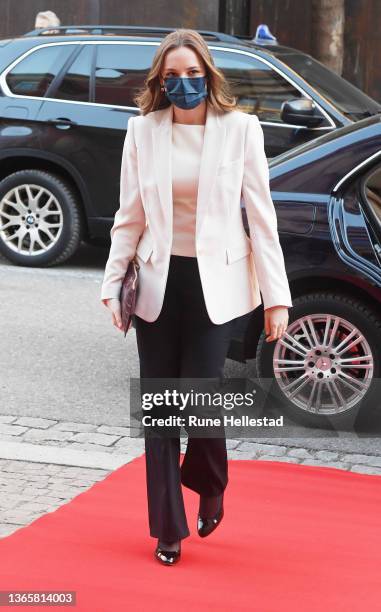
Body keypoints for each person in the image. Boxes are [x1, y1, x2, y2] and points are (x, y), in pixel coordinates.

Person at [100, 28, 292, 566]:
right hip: (160, 282)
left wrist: (277, 298)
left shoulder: (240, 130)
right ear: (159, 82)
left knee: (201, 399)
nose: (184, 85)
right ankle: (167, 527)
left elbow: (261, 217)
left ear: (208, 74)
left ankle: (209, 482)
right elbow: (129, 217)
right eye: (173, 77)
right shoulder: (142, 132)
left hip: (218, 285)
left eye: (193, 74)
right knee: (161, 408)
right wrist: (112, 284)